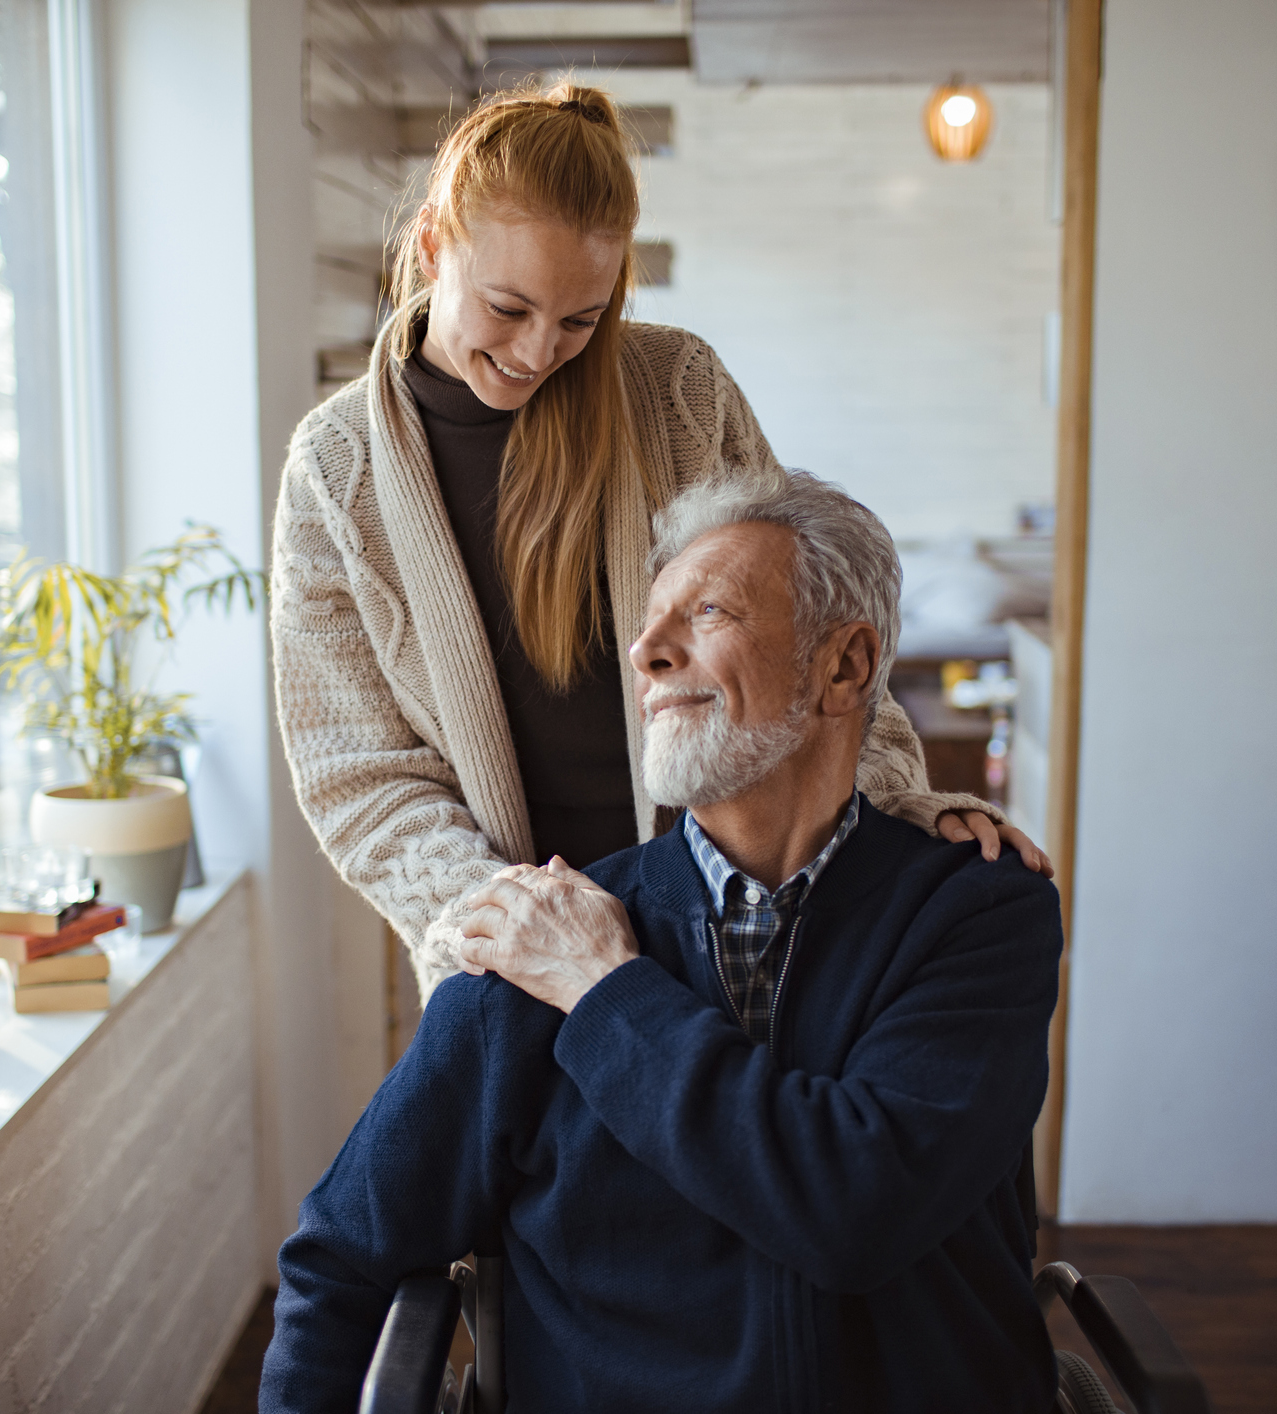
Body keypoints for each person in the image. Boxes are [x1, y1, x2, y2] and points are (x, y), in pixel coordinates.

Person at [259, 473, 1063, 1412]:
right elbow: (342, 1258)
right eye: (649, 623)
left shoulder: (976, 914)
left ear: (844, 668)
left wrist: (606, 994)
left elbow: (857, 1211)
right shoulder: (535, 944)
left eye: (709, 610)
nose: (646, 651)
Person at [270, 79, 1047, 996]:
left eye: (580, 320)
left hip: (744, 916)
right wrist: (525, 928)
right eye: (509, 309)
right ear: (435, 242)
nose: (536, 353)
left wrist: (895, 805)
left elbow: (805, 626)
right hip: (512, 966)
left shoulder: (676, 389)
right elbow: (358, 776)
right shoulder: (334, 470)